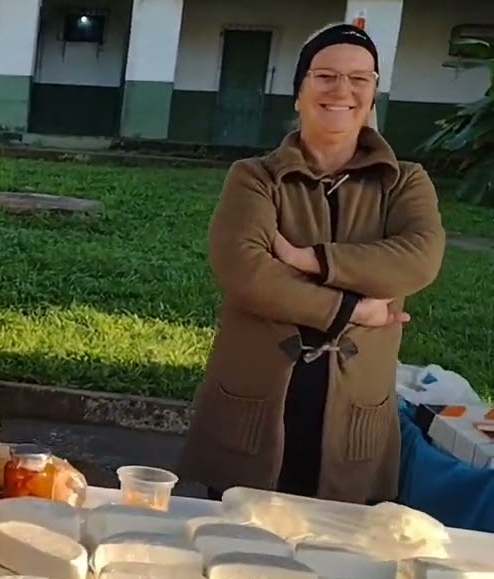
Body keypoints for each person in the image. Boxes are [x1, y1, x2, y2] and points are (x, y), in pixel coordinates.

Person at [178, 23, 446, 505]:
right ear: (299, 91)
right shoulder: (256, 177)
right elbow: (245, 272)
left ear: (373, 94)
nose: (342, 90)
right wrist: (352, 311)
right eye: (325, 76)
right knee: (235, 551)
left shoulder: (404, 182)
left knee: (334, 563)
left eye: (359, 79)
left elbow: (419, 259)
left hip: (353, 420)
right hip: (257, 410)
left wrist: (311, 260)